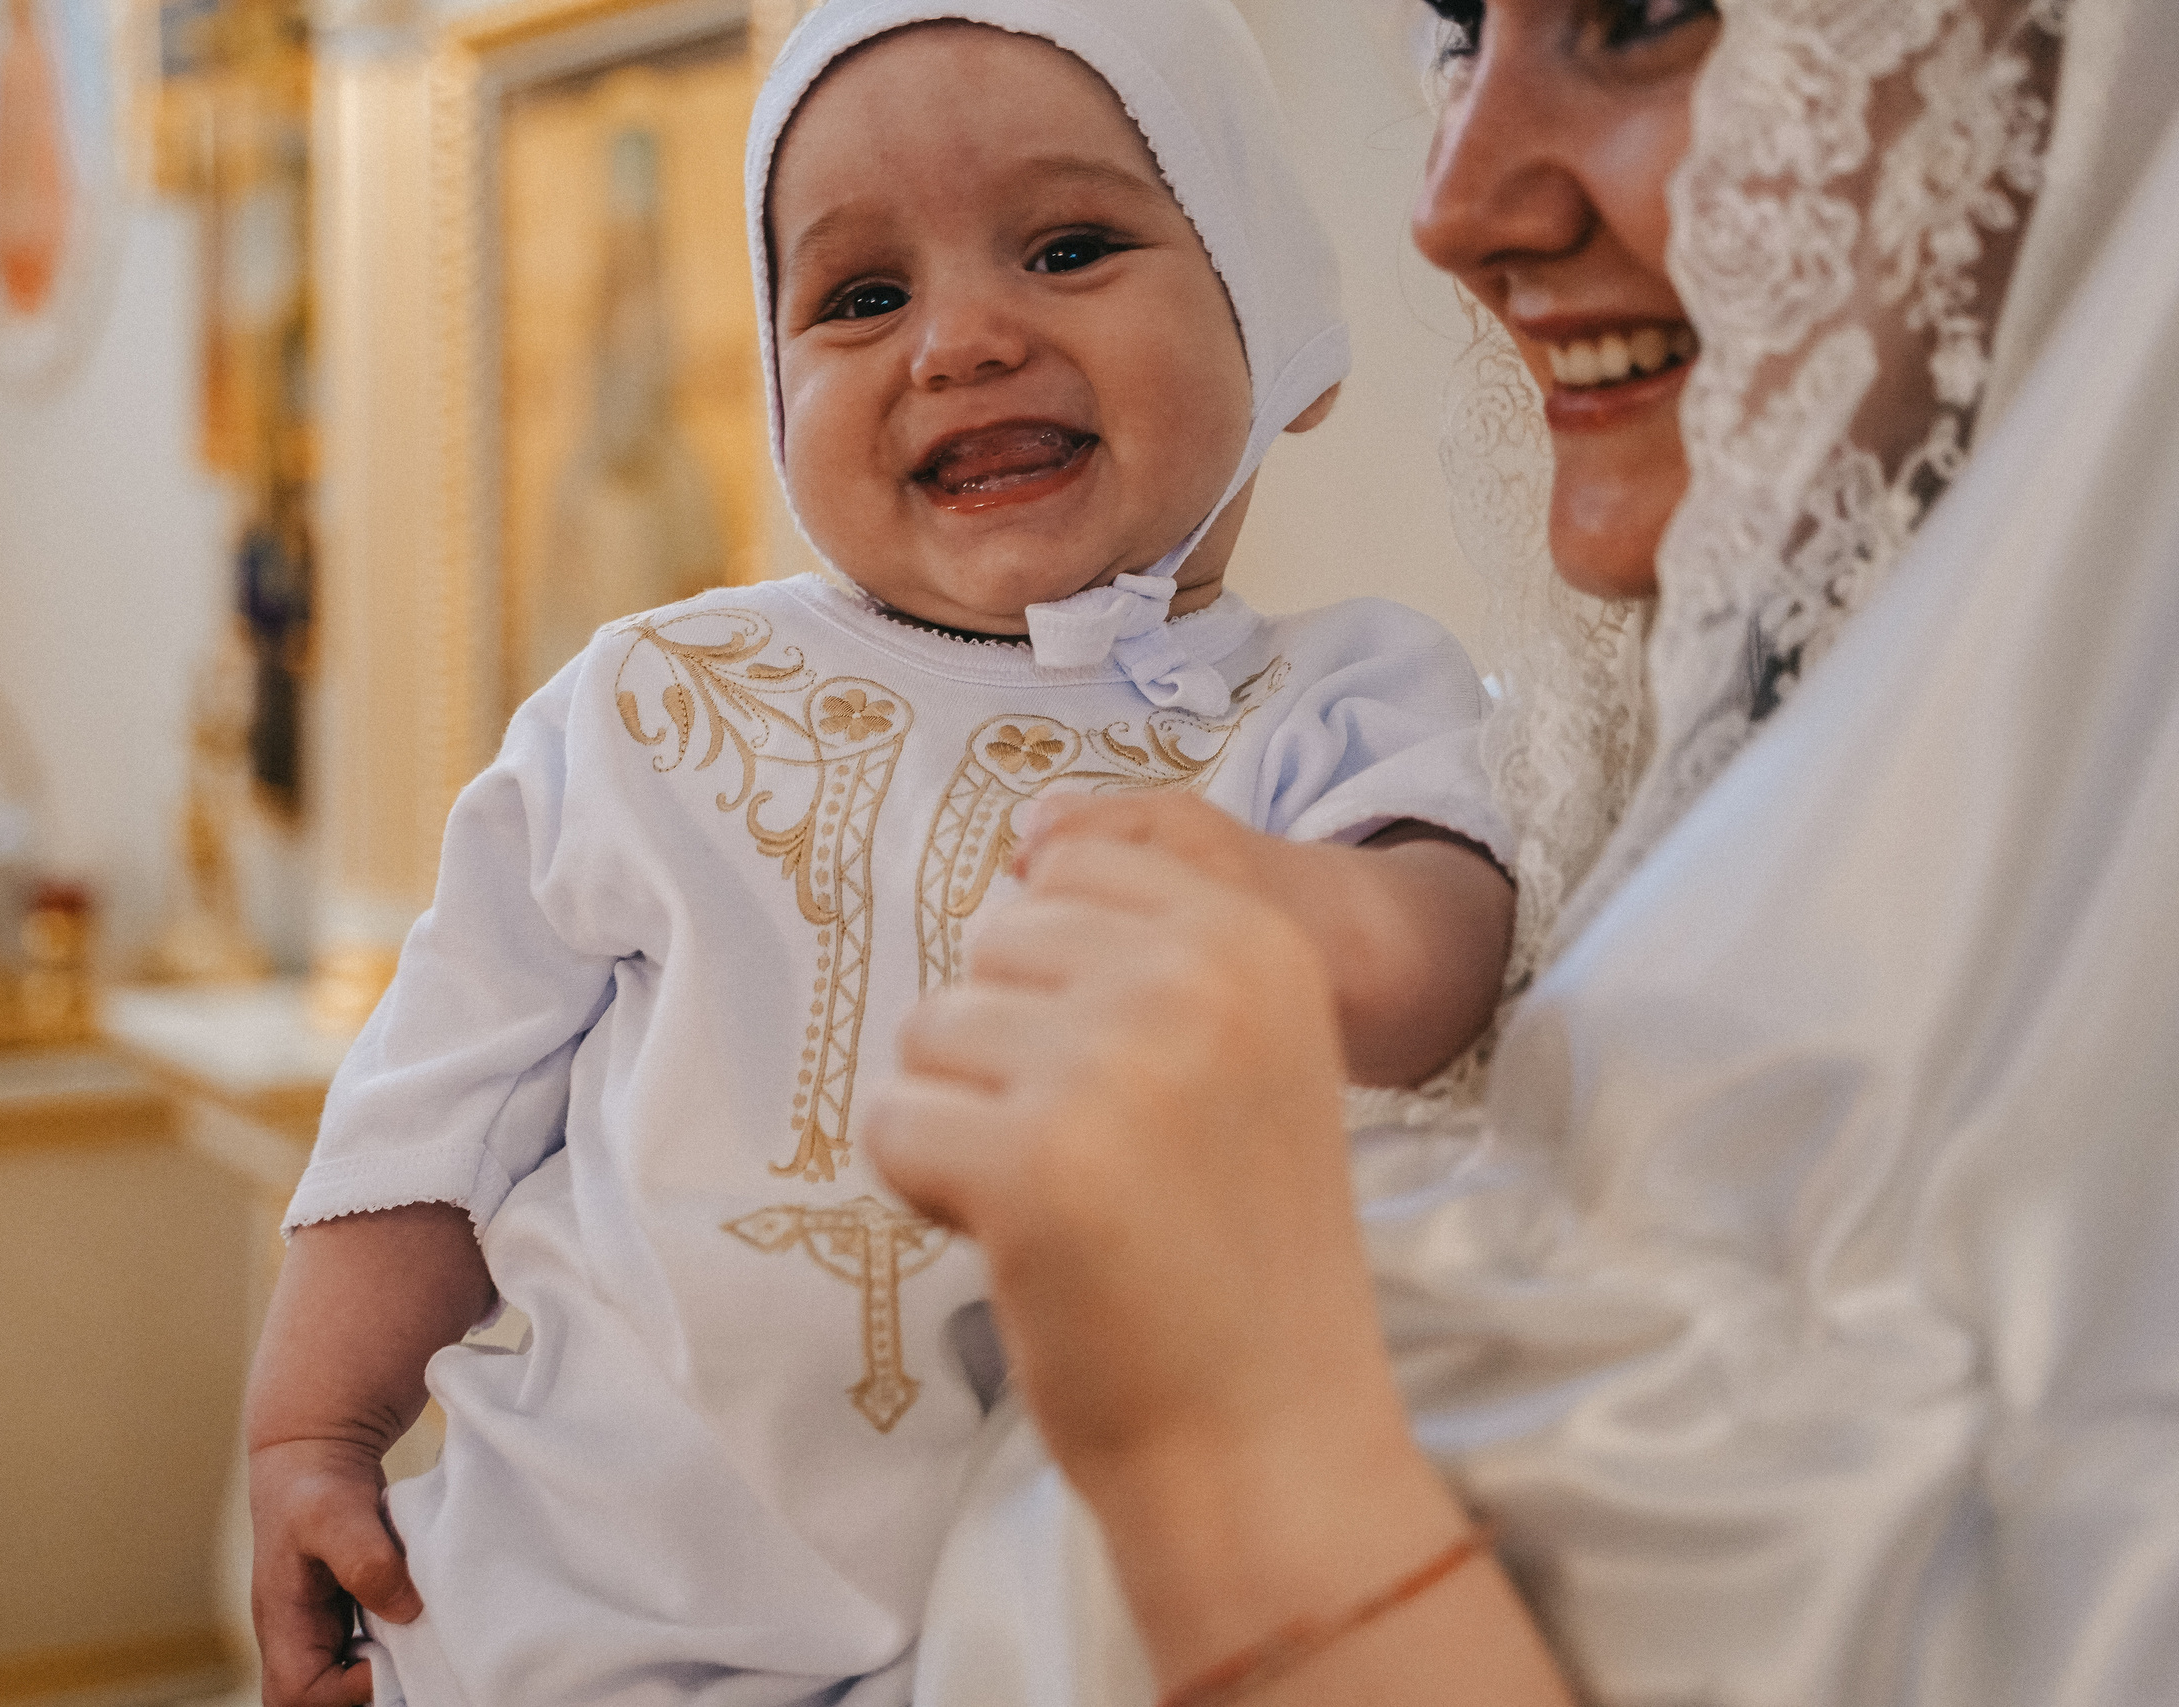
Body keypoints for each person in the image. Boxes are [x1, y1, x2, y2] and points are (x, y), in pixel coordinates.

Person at [875, 0, 2179, 1702]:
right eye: (1453, 28)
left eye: (1641, 16)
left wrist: (1243, 1459)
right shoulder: (1601, 814)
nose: (1454, 202)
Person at [243, 5, 1528, 1703]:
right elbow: (440, 1099)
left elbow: (1448, 939)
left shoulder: (1339, 694)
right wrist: (315, 1428)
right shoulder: (650, 701)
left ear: (1277, 311)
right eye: (861, 297)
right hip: (556, 1605)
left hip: (1043, 1624)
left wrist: (1297, 917)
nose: (962, 341)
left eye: (1069, 248)